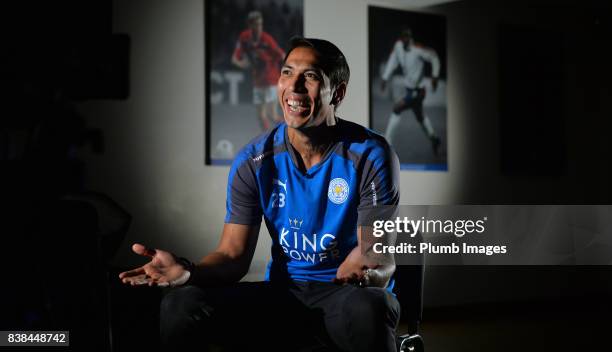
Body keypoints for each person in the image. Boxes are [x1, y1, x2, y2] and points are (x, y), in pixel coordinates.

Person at [120, 37, 401, 352]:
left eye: (310, 76)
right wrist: (189, 271)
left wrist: (364, 272)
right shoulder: (254, 160)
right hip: (284, 296)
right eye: (286, 73)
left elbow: (378, 254)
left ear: (338, 92)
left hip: (343, 298)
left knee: (370, 307)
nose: (293, 87)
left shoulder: (370, 153)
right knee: (181, 304)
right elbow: (231, 256)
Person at [381, 28, 441, 155]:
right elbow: (393, 60)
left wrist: (435, 76)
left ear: (411, 38)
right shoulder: (398, 46)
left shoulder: (418, 50)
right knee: (420, 117)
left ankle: (387, 140)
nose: (405, 39)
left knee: (397, 108)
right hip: (410, 90)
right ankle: (434, 139)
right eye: (403, 37)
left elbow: (434, 58)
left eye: (407, 37)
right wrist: (385, 77)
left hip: (418, 92)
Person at [232, 10, 285, 131]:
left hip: (271, 79)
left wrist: (285, 73)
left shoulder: (267, 39)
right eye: (256, 24)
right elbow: (235, 58)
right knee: (261, 116)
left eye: (260, 24)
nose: (259, 27)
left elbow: (282, 55)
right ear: (250, 25)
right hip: (258, 80)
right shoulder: (244, 38)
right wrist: (242, 64)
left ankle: (291, 134)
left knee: (272, 114)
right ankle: (268, 143)